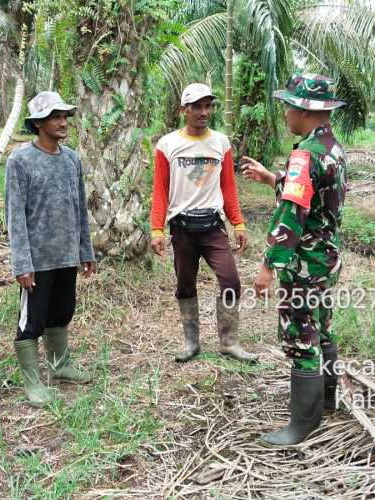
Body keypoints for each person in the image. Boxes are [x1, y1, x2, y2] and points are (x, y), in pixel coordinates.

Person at [241, 73, 348, 445]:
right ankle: (329, 402)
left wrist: (268, 265)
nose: (285, 112)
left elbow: (292, 214)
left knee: (301, 334)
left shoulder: (305, 155)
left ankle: (302, 424)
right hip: (327, 259)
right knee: (322, 326)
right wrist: (272, 178)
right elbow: (313, 195)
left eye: (289, 106)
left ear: (305, 111)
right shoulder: (332, 147)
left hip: (303, 263)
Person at [150, 83, 257, 363]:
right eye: (196, 106)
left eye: (208, 106)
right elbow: (160, 190)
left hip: (212, 226)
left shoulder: (221, 143)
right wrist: (157, 229)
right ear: (183, 110)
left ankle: (229, 342)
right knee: (185, 285)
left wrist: (239, 223)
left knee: (231, 281)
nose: (203, 112)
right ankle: (191, 343)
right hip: (183, 228)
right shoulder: (168, 144)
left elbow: (228, 188)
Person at [5, 91, 96, 408]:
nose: (63, 122)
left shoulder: (71, 159)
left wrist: (86, 250)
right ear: (38, 123)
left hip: (66, 255)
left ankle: (60, 368)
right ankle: (33, 383)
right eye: (56, 116)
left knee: (62, 312)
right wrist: (22, 263)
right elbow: (15, 215)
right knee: (32, 321)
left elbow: (79, 209)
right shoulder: (20, 160)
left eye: (65, 116)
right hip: (37, 259)